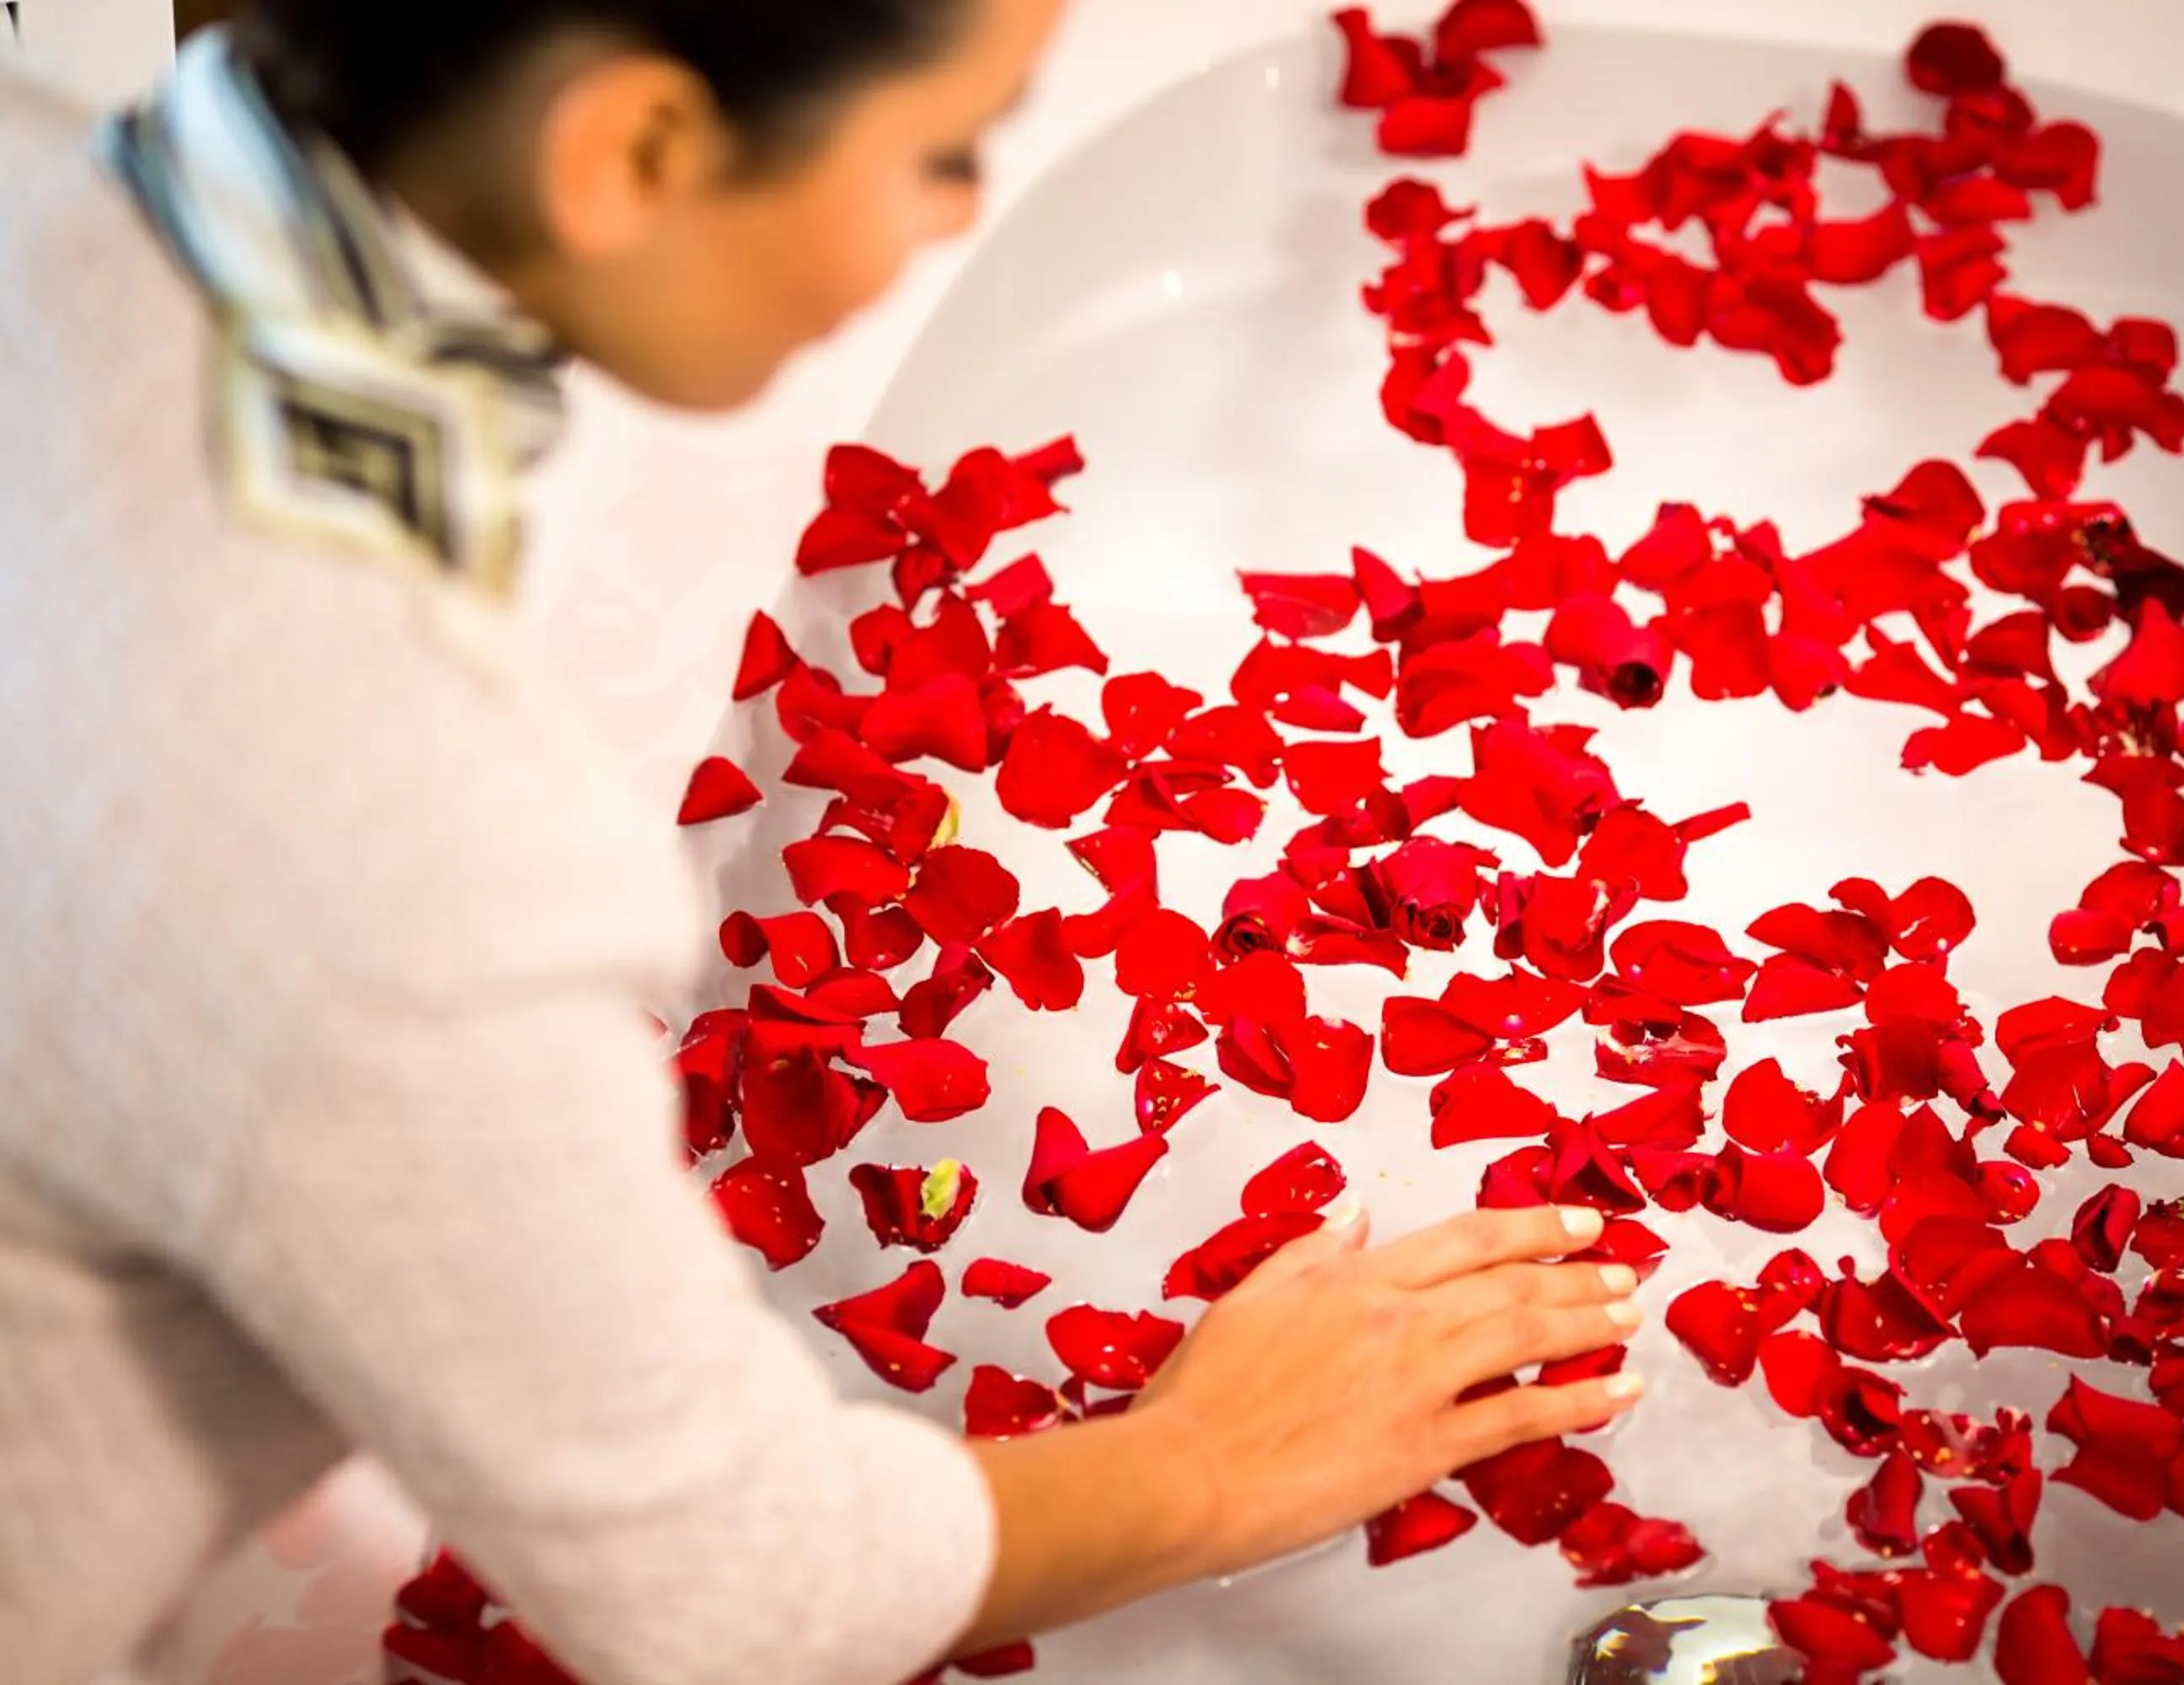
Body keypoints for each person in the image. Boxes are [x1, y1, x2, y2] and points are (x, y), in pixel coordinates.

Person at [0, 3, 1648, 1682]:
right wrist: (1215, 1459)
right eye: (945, 152)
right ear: (631, 151)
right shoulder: (390, 837)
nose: (961, 215)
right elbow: (740, 1595)